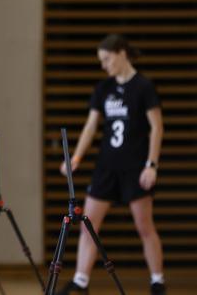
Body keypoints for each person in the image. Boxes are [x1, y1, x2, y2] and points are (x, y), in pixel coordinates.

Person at [56, 34, 165, 295]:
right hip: (106, 166)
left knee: (144, 226)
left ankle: (157, 280)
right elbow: (91, 126)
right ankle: (81, 281)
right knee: (88, 221)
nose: (104, 65)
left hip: (135, 167)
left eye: (106, 59)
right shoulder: (103, 89)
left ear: (121, 54)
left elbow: (157, 127)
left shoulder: (144, 86)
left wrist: (151, 164)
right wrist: (76, 158)